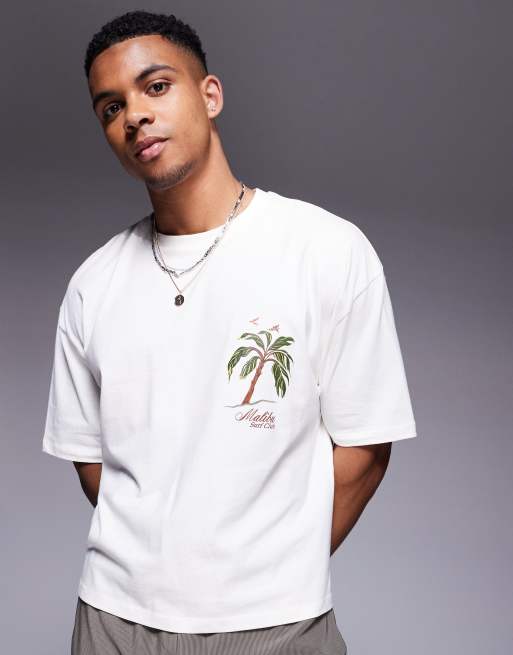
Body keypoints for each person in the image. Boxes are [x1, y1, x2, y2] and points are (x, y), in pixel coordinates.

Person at [41, 10, 418, 654]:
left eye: (156, 86)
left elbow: (366, 448)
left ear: (209, 95)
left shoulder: (326, 251)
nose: (135, 116)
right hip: (113, 622)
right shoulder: (92, 284)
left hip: (280, 625)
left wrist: (267, 574)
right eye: (111, 107)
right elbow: (91, 458)